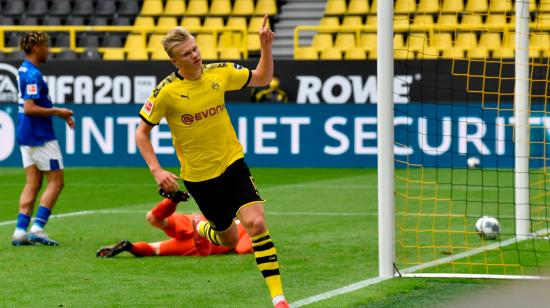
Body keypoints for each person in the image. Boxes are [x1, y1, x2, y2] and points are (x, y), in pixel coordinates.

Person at [135, 15, 289, 308]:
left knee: (256, 224)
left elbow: (262, 78)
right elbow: (141, 133)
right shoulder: (166, 92)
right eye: (186, 53)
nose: (195, 55)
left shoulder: (219, 73)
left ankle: (278, 298)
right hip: (199, 178)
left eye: (194, 48)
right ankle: (200, 226)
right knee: (228, 240)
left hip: (232, 163)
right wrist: (156, 170)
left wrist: (265, 47)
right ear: (174, 61)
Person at [12, 31, 75, 246]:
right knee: (56, 182)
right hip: (40, 136)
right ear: (37, 47)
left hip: (26, 134)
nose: (49, 50)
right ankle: (37, 228)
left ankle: (20, 231)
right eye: (46, 46)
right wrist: (59, 111)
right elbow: (30, 108)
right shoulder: (32, 75)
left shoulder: (24, 69)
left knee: (33, 182)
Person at [96, 191, 252, 258]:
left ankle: (172, 200)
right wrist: (257, 244)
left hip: (196, 221)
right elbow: (242, 248)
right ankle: (130, 247)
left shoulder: (225, 215)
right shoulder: (246, 228)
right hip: (204, 243)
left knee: (153, 218)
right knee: (155, 249)